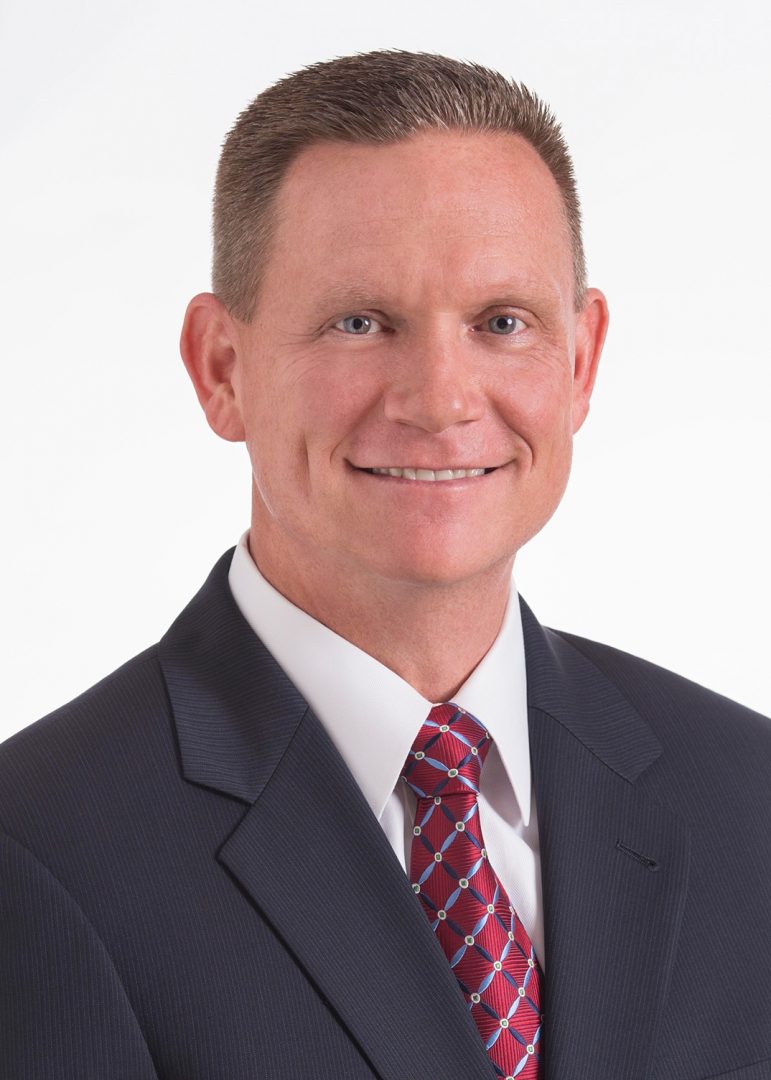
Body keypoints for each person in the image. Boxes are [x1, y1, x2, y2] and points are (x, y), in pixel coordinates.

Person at [1, 48, 769, 1080]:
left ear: (581, 362)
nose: (441, 399)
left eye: (502, 323)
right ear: (221, 368)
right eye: (359, 323)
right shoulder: (40, 854)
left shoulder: (748, 798)